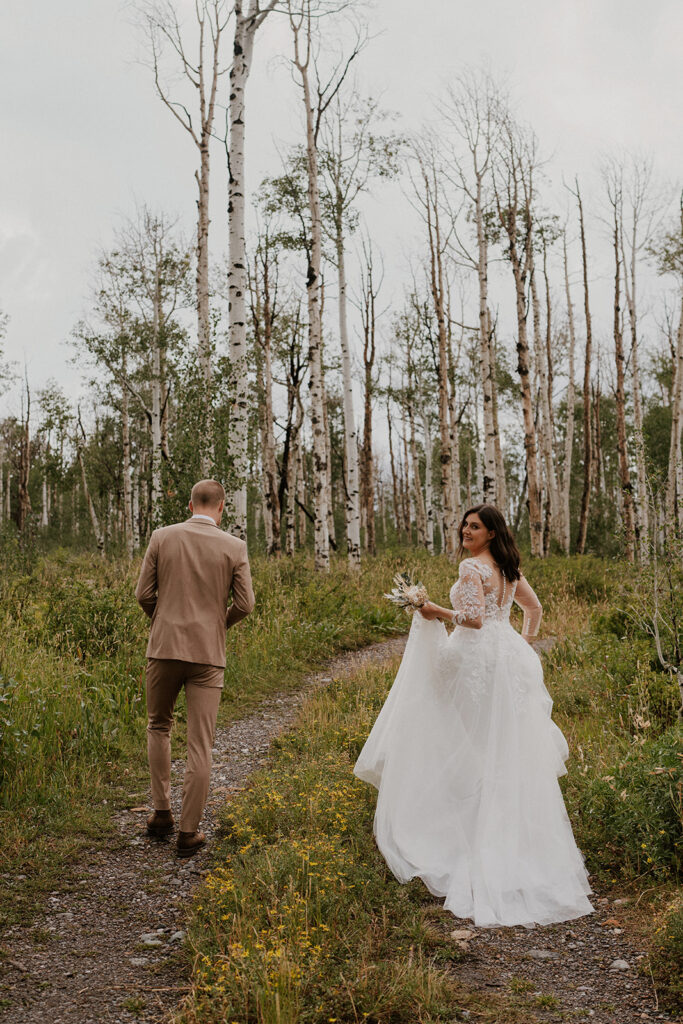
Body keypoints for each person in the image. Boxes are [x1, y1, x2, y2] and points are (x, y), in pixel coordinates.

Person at [354, 504, 594, 928]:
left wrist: (431, 610)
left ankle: (461, 832)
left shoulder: (472, 568)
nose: (466, 531)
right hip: (508, 663)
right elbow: (533, 612)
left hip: (474, 663)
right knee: (501, 749)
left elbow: (474, 621)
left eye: (475, 526)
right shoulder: (508, 569)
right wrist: (521, 646)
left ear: (491, 533)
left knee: (457, 741)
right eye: (465, 525)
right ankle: (508, 838)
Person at [135, 479, 255, 857]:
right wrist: (219, 624)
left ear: (190, 504)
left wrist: (164, 620)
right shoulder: (234, 546)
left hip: (165, 648)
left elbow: (143, 594)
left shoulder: (162, 537)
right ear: (221, 508)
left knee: (159, 725)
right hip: (207, 654)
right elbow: (246, 604)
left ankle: (161, 813)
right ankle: (188, 834)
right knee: (200, 744)